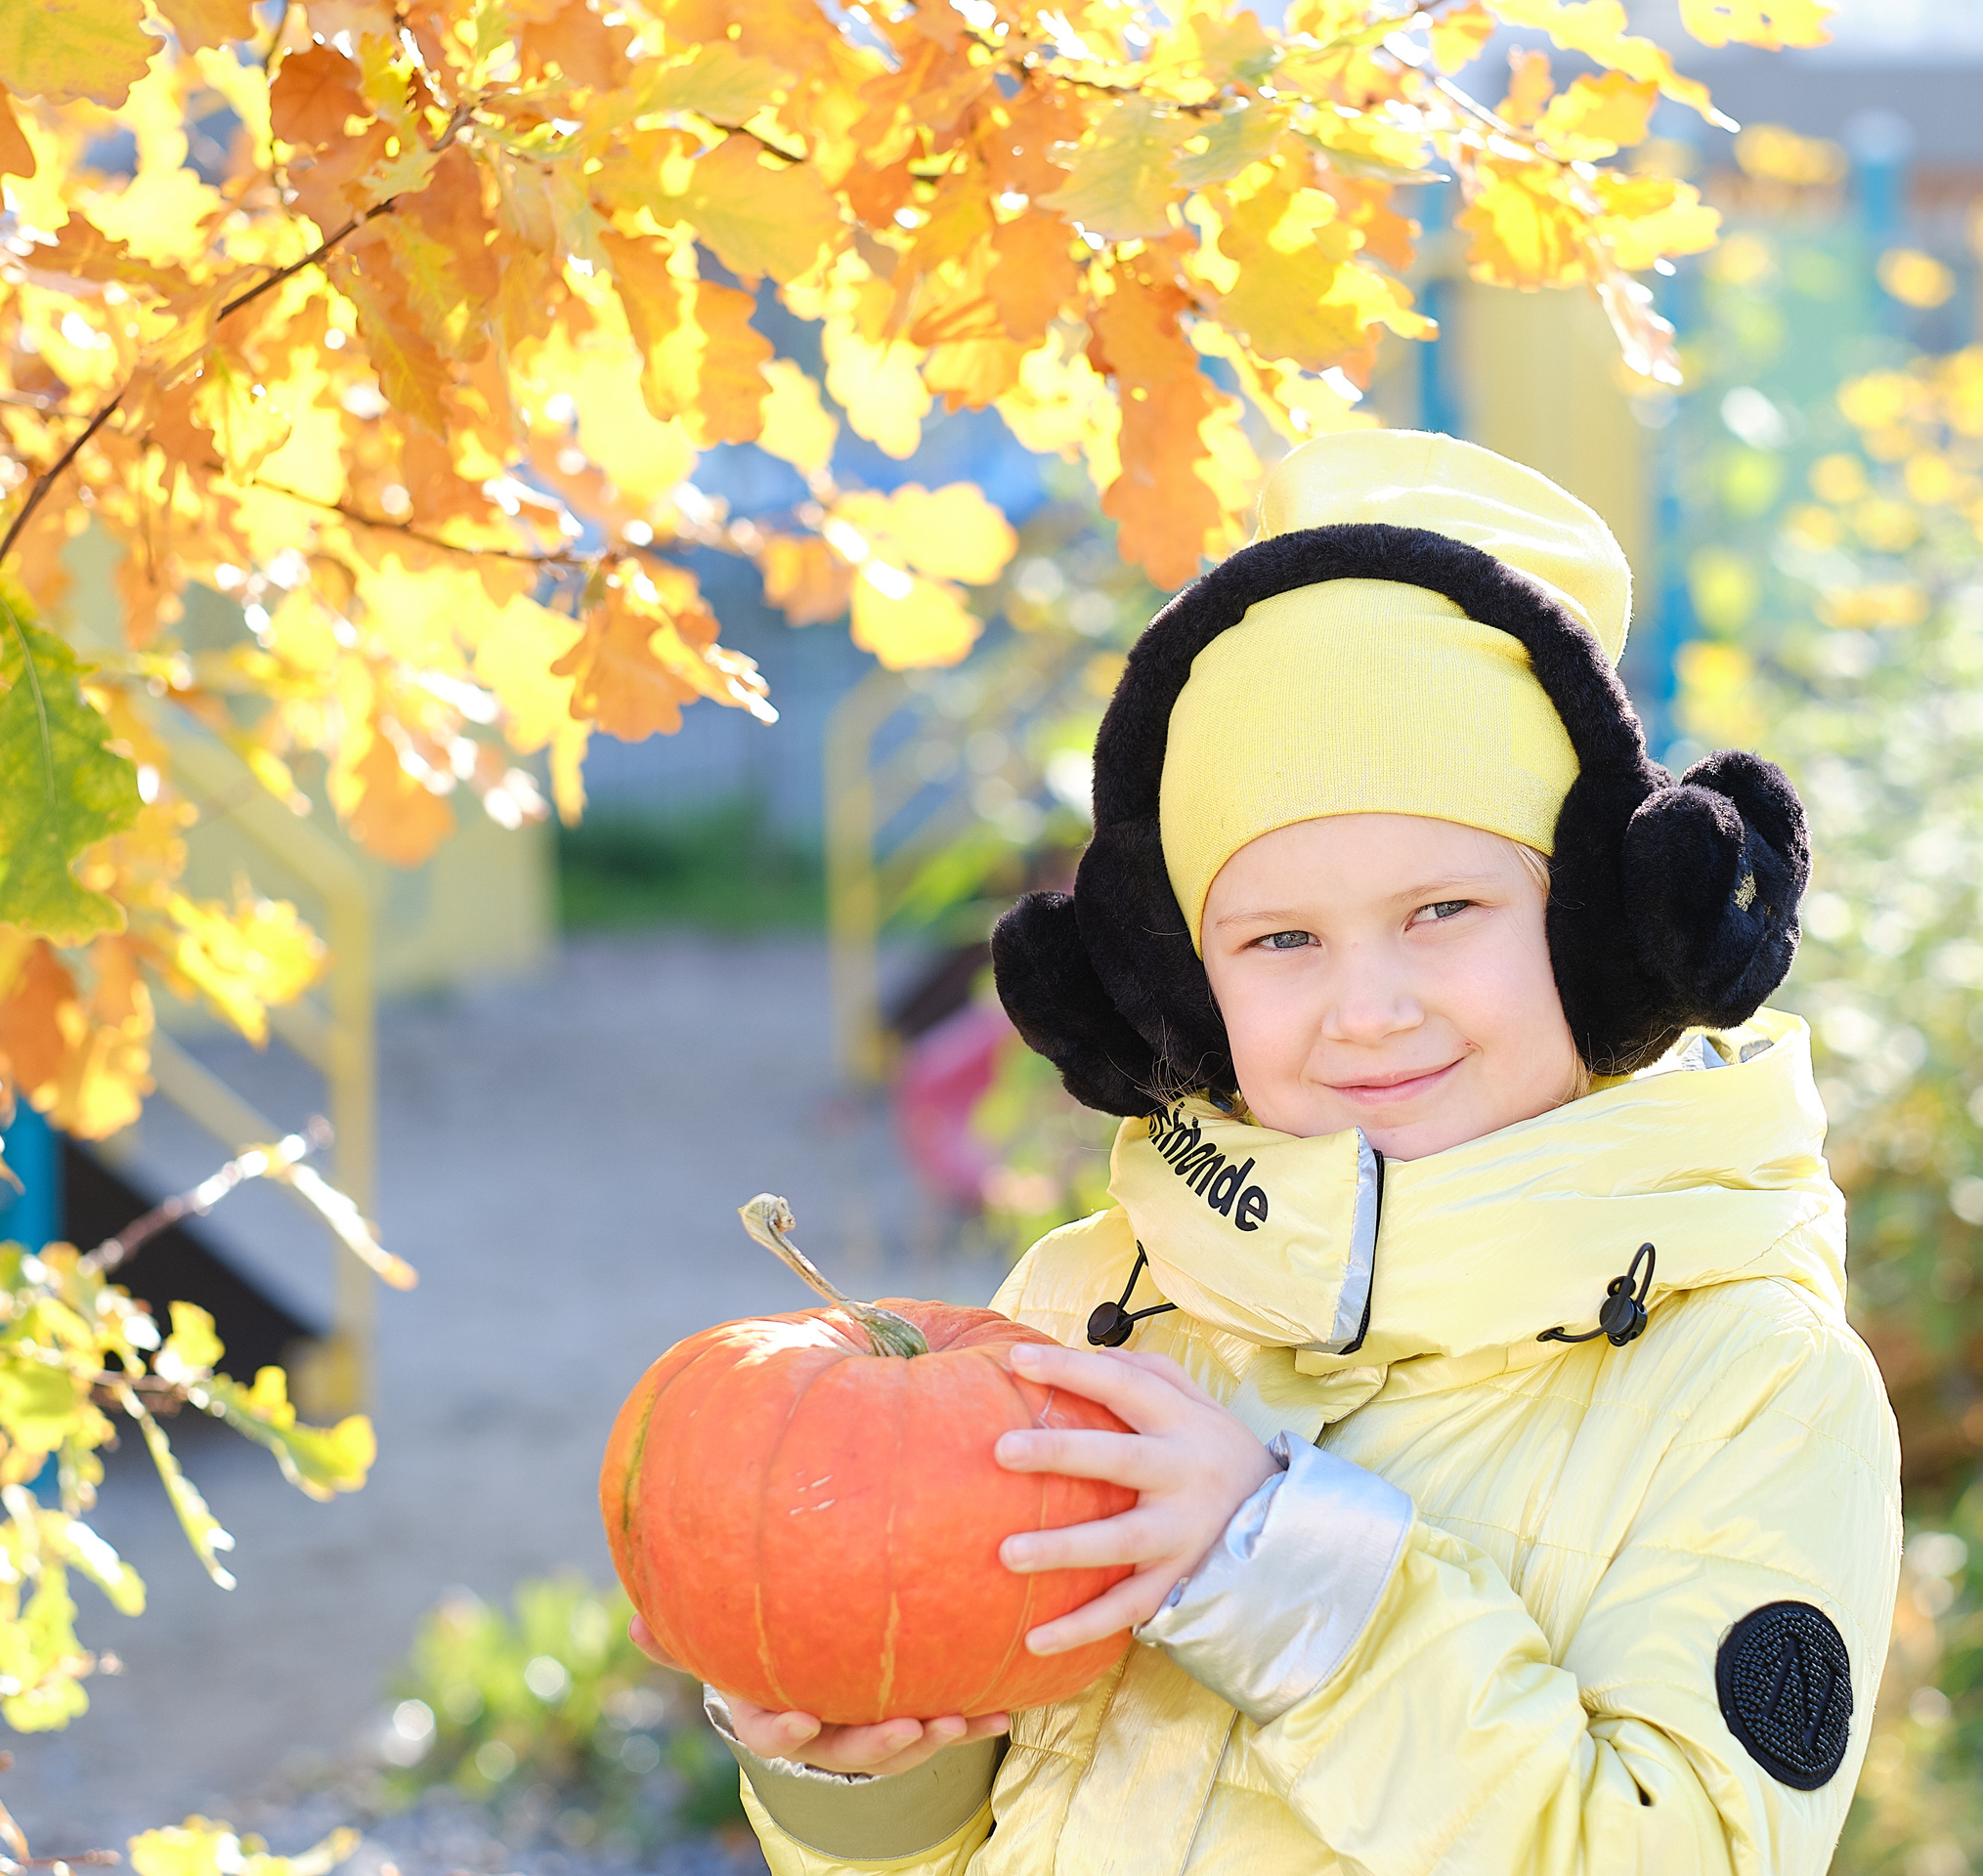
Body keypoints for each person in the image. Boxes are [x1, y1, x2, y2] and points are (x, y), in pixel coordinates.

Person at [635, 429, 1903, 1873]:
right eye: (1282, 939)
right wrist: (869, 1779)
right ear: (1181, 988)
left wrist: (1285, 1572)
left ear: (1599, 933)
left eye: (1443, 912)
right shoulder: (1093, 1303)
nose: (1368, 1007)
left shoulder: (1752, 1386)